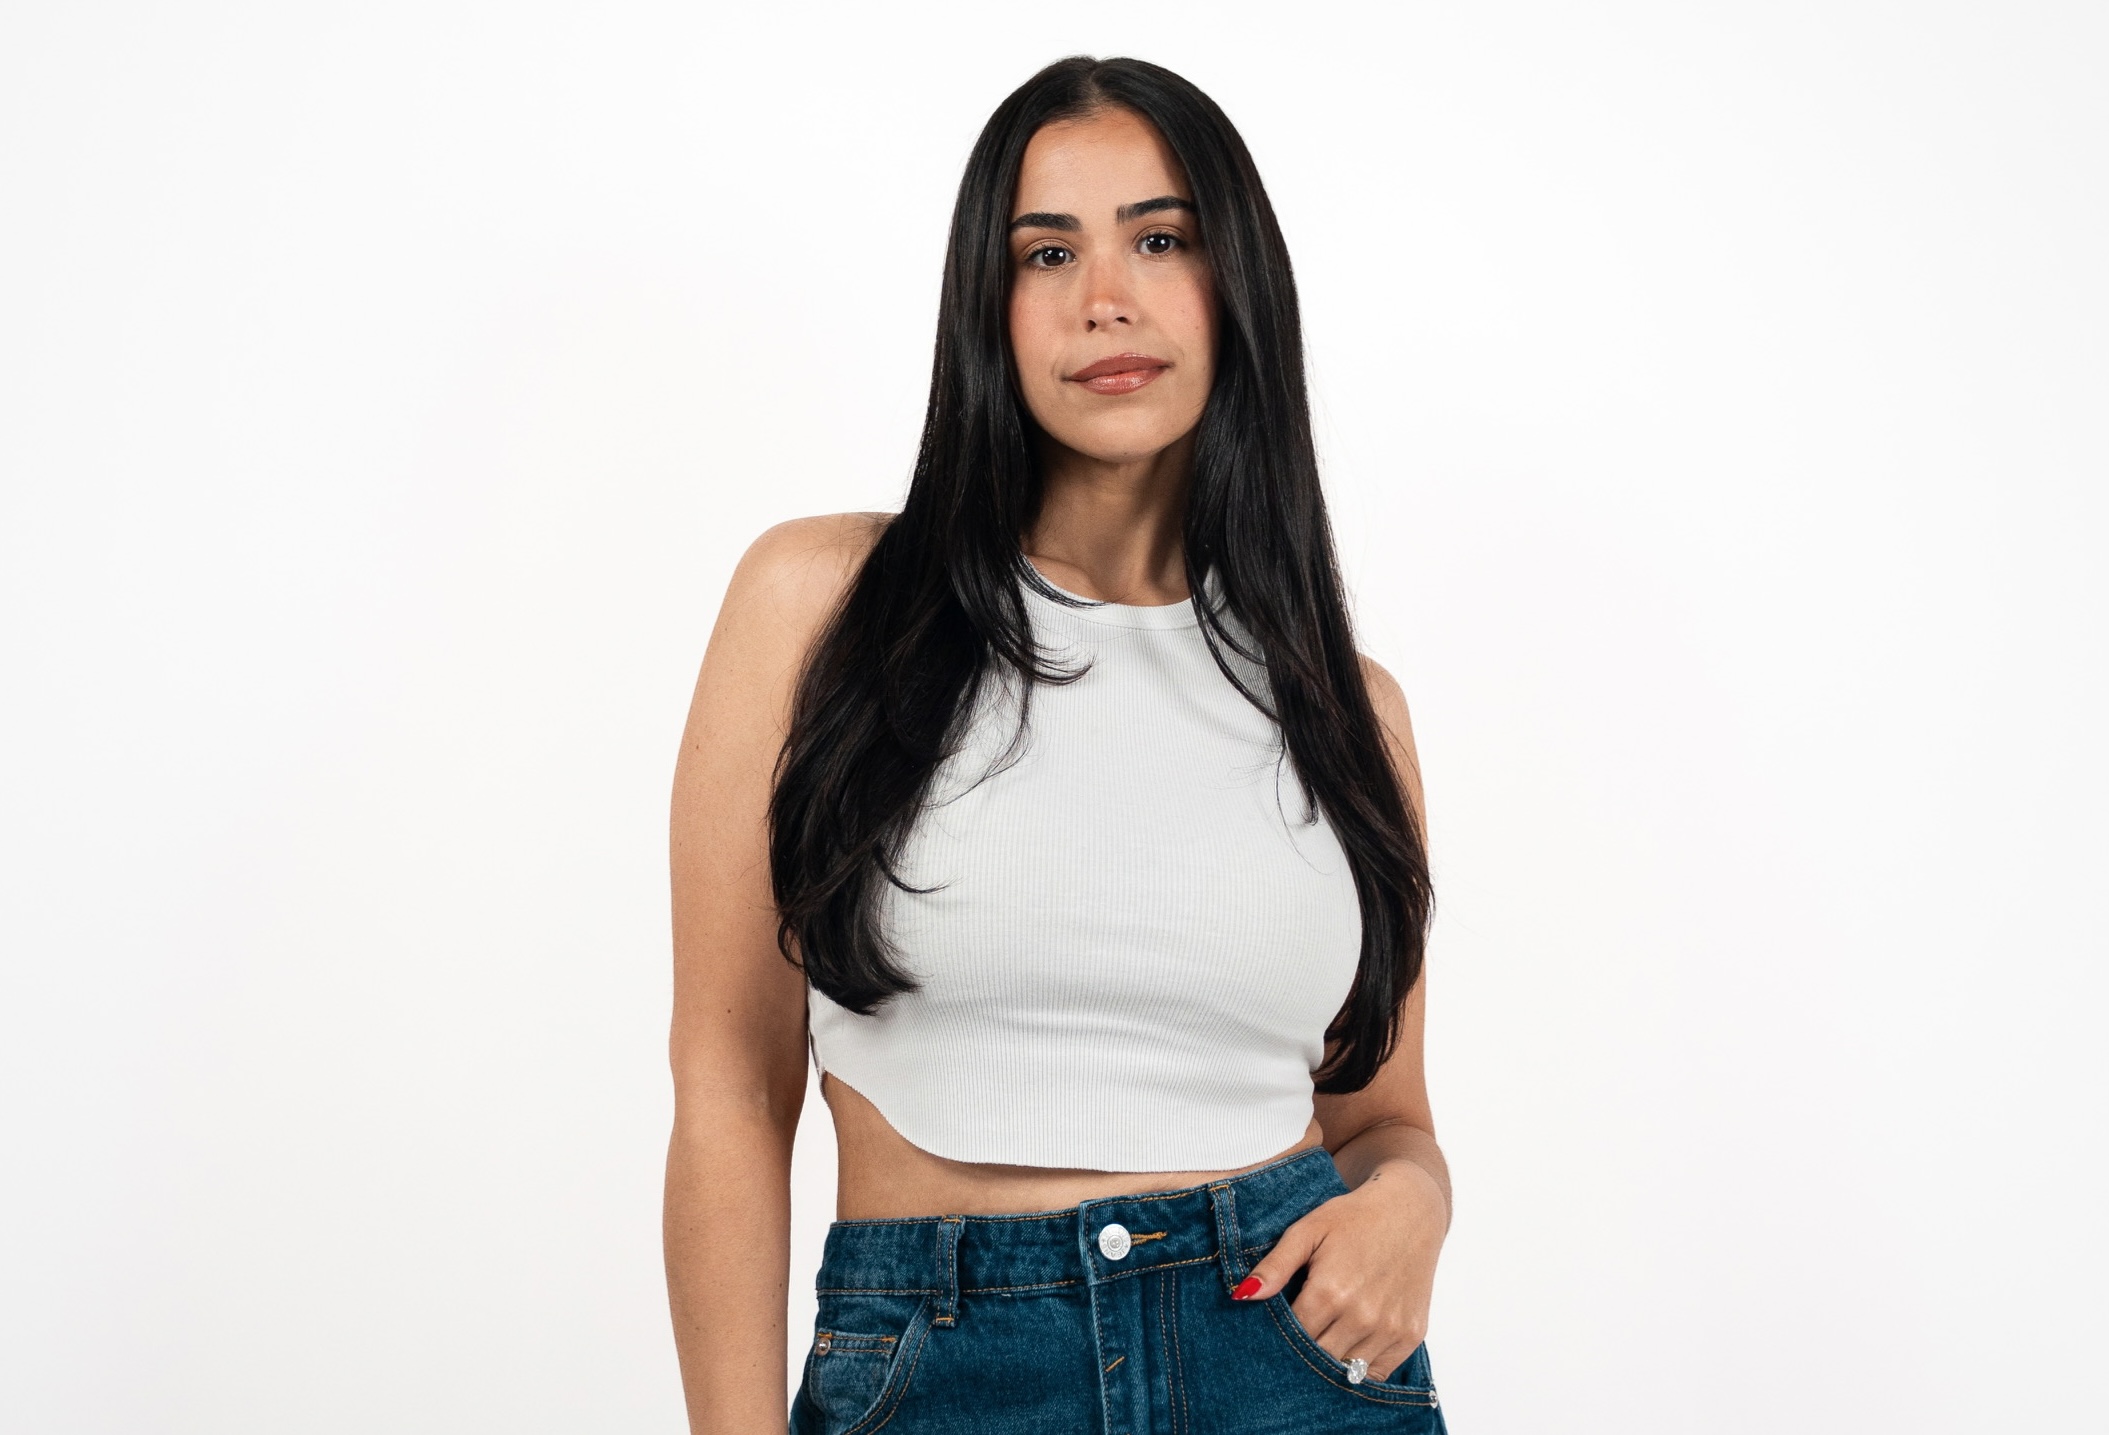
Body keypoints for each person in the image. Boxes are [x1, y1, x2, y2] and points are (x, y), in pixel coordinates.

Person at [665, 55, 1449, 1434]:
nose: (1107, 298)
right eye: (1046, 252)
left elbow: (1382, 1119)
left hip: (1294, 1374)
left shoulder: (1349, 713)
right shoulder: (820, 609)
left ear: (1235, 287)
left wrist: (1414, 1207)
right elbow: (729, 1083)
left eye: (1160, 239)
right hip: (944, 1362)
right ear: (988, 303)